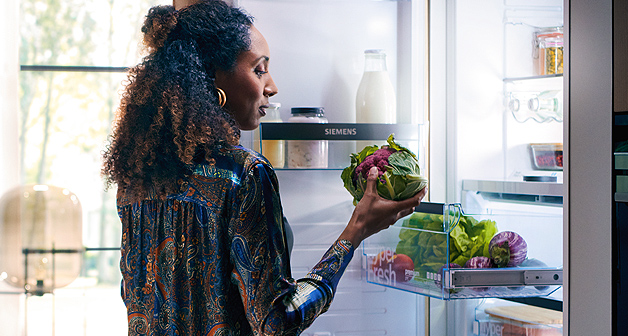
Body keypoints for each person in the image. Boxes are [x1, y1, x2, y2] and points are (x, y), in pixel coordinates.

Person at [101, 1, 427, 335]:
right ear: (215, 77)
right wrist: (355, 232)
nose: (272, 86)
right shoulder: (244, 173)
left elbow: (136, 297)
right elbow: (275, 323)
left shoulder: (135, 178)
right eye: (259, 69)